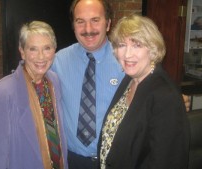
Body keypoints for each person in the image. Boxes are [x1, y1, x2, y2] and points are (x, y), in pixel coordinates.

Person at [51, 0, 191, 168]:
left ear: (108, 23)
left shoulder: (128, 65)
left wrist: (175, 100)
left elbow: (156, 98)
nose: (88, 29)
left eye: (95, 20)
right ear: (73, 25)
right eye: (80, 21)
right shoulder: (57, 62)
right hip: (72, 160)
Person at [98, 14, 190, 169]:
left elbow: (168, 161)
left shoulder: (165, 96)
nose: (127, 54)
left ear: (153, 49)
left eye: (137, 45)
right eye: (121, 45)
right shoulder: (130, 79)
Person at [0, 21, 68, 169]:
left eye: (47, 48)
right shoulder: (1, 93)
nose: (41, 57)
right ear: (22, 52)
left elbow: (57, 134)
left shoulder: (54, 81)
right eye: (33, 49)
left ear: (54, 50)